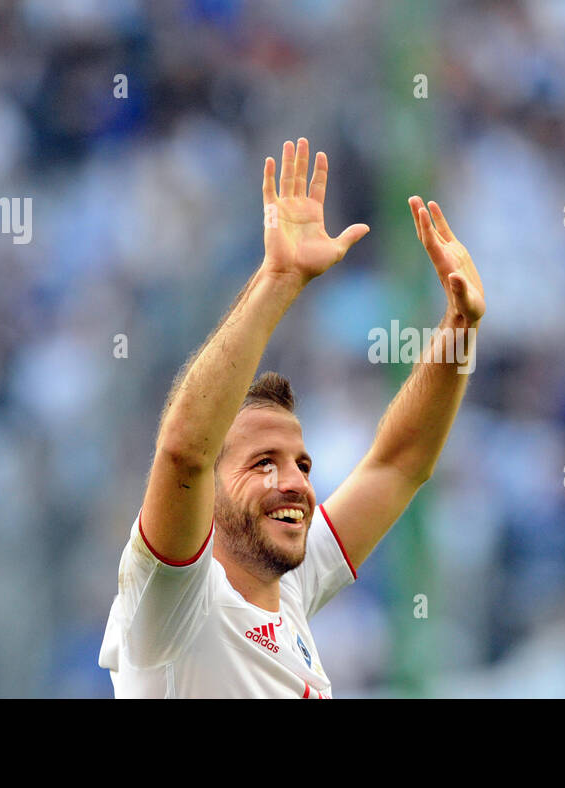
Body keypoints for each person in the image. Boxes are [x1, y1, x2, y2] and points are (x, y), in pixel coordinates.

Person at [98, 137, 485, 697]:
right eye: (263, 463)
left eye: (301, 463)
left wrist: (459, 327)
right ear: (209, 489)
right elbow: (184, 449)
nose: (296, 483)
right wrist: (279, 280)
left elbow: (399, 464)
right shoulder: (172, 604)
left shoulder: (290, 584)